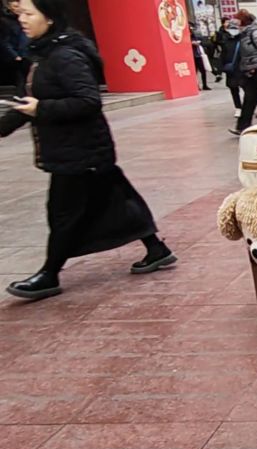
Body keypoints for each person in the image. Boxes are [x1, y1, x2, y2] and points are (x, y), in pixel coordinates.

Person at [0, 0, 176, 301]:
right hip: (84, 151)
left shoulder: (65, 56)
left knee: (63, 215)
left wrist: (42, 108)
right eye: (21, 15)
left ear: (49, 18)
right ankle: (156, 249)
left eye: (29, 14)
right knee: (118, 201)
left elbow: (88, 101)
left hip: (81, 152)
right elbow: (27, 103)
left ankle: (49, 274)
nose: (23, 21)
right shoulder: (44, 54)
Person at [1, 0, 29, 94]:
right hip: (17, 57)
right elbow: (5, 42)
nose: (18, 9)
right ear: (9, 7)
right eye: (15, 7)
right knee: (21, 81)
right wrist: (15, 56)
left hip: (28, 54)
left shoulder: (24, 19)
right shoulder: (6, 22)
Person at [219, 18, 243, 118]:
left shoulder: (243, 40)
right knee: (233, 89)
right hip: (231, 70)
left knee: (249, 89)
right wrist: (221, 69)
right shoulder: (226, 41)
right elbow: (223, 56)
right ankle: (238, 107)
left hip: (242, 69)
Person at [189, 24, 211, 90]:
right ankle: (196, 85)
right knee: (195, 71)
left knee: (203, 70)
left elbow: (201, 42)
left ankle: (205, 85)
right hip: (192, 55)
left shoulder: (194, 36)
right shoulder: (187, 37)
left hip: (198, 55)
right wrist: (191, 43)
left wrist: (197, 43)